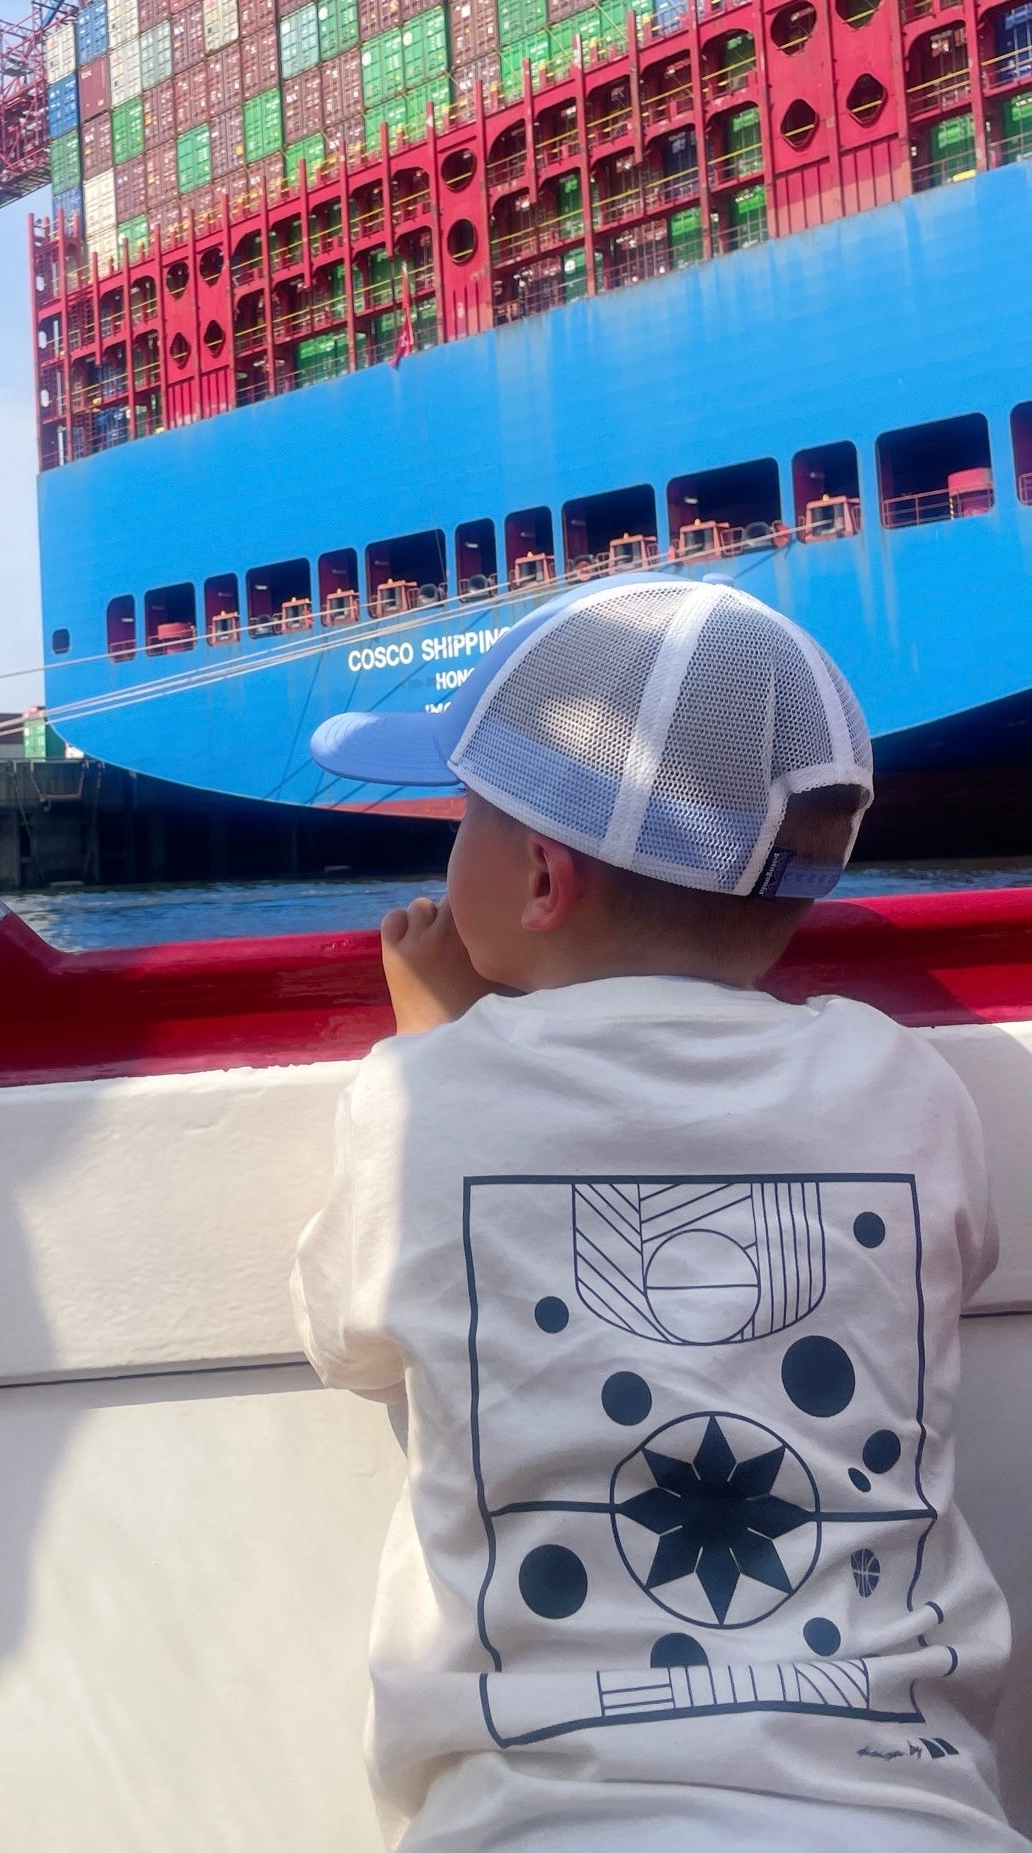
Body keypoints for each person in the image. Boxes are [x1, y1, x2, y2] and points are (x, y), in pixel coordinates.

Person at [290, 578, 1026, 1853]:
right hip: (913, 1812)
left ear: (539, 877)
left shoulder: (424, 1097)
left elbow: (343, 1340)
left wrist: (432, 1050)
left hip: (539, 1818)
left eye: (461, 811)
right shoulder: (902, 1085)